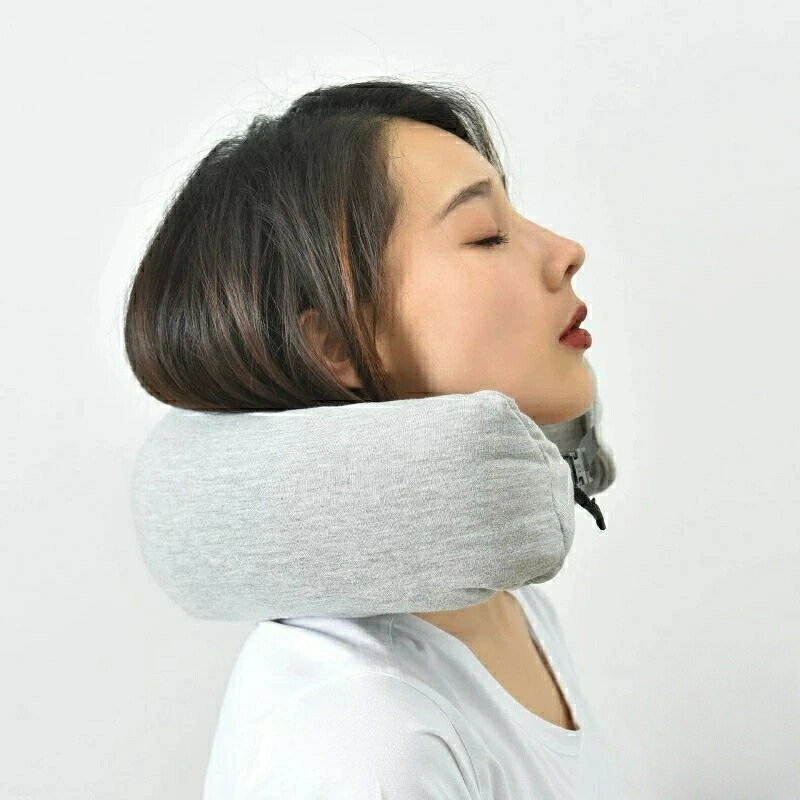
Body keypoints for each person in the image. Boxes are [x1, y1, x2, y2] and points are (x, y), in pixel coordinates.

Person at [125, 78, 629, 798]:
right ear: (335, 343)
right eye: (487, 235)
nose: (566, 251)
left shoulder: (509, 612)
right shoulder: (360, 729)